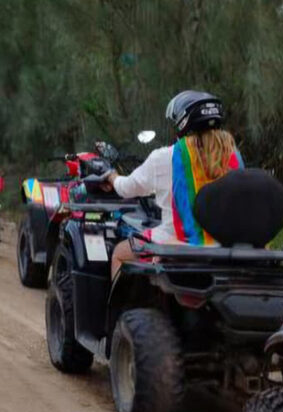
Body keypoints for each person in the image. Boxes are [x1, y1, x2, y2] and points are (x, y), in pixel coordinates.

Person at [104, 90, 243, 278]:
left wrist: (112, 176)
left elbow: (126, 188)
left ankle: (119, 306)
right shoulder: (233, 155)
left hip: (179, 243)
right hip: (228, 246)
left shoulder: (165, 157)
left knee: (120, 253)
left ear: (182, 123)